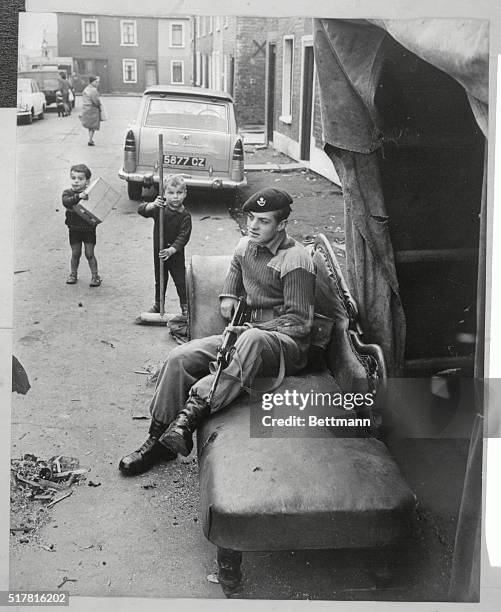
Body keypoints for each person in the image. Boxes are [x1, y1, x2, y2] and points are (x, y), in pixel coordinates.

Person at [119, 187, 316, 475]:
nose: (253, 225)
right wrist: (228, 293)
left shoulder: (295, 259)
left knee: (251, 337)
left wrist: (253, 328)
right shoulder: (245, 245)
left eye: (263, 221)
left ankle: (189, 417)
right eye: (251, 218)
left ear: (282, 225)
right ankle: (157, 440)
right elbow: (237, 267)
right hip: (245, 335)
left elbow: (300, 322)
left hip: (284, 345)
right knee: (180, 356)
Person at [136, 175, 192, 320]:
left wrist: (172, 250)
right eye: (171, 193)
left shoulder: (185, 216)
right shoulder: (160, 210)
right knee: (160, 280)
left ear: (185, 194)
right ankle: (158, 304)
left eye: (179, 193)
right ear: (164, 194)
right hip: (160, 253)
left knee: (180, 281)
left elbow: (183, 237)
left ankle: (185, 307)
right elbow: (141, 210)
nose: (175, 197)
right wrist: (152, 205)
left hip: (175, 255)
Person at [62, 164, 102, 287]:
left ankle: (95, 276)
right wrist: (78, 196)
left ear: (87, 181)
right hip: (74, 229)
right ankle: (73, 274)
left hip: (88, 229)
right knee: (75, 253)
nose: (76, 181)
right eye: (73, 178)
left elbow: (98, 207)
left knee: (89, 253)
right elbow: (66, 202)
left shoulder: (90, 194)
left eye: (80, 179)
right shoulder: (67, 193)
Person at [79, 76, 101, 146]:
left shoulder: (86, 89)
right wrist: (99, 104)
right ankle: (90, 140)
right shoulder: (93, 90)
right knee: (93, 126)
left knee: (90, 126)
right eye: (96, 82)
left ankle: (90, 139)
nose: (97, 83)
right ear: (92, 82)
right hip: (92, 109)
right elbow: (95, 101)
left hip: (86, 108)